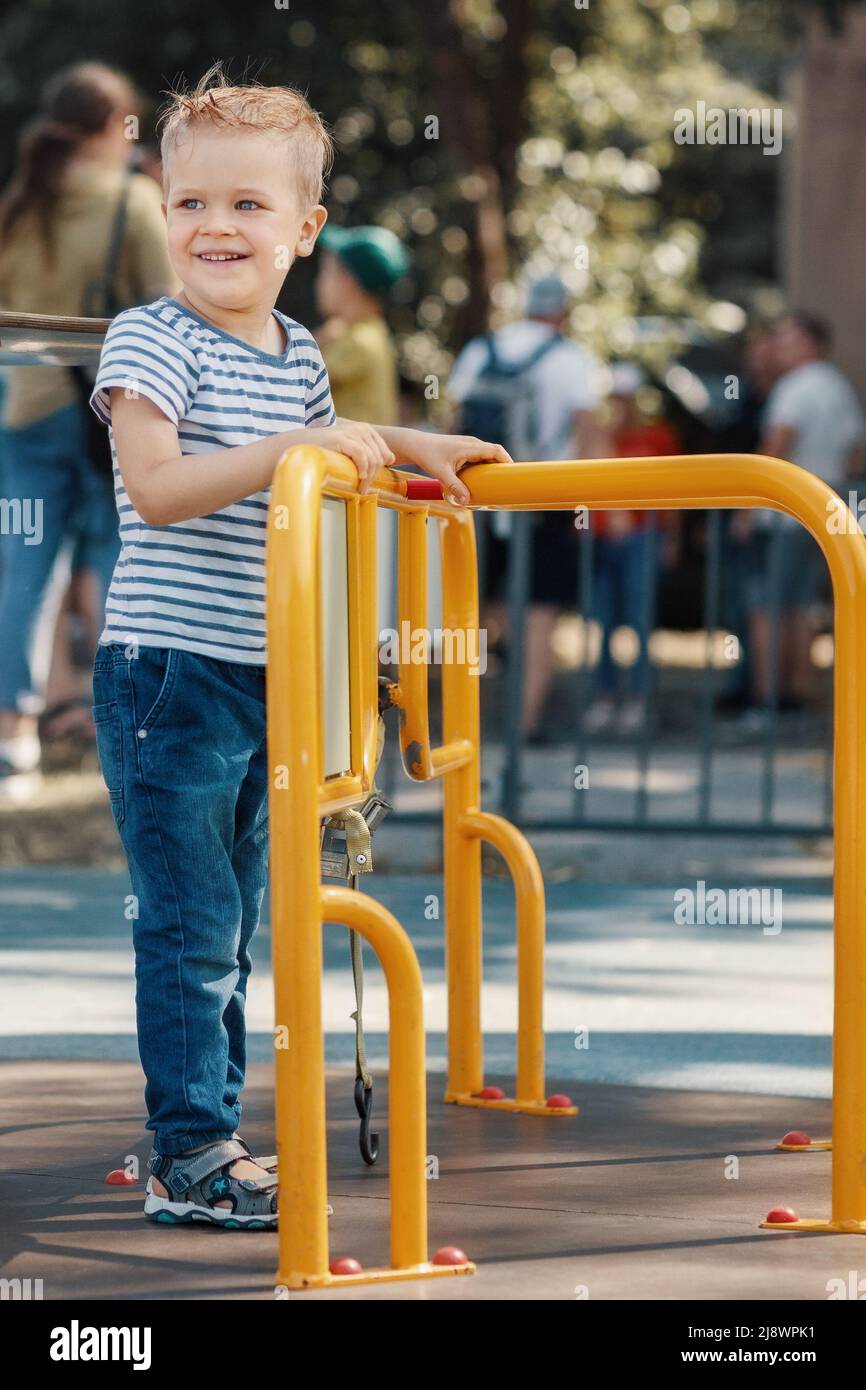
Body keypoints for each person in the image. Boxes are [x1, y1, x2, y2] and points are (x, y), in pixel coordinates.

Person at [88, 64, 509, 1229]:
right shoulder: (151, 339)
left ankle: (207, 1134)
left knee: (235, 923)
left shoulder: (297, 360)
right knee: (189, 927)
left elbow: (327, 498)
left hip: (266, 675)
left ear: (305, 228)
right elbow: (162, 489)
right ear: (162, 210)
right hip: (168, 676)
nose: (214, 226)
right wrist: (306, 446)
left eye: (247, 205)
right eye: (189, 203)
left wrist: (403, 450)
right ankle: (190, 1151)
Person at [0, 63, 176, 796]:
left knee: (24, 572)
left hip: (22, 409)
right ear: (115, 129)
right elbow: (168, 305)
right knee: (120, 562)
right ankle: (125, 722)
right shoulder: (132, 201)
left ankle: (13, 739)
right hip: (109, 409)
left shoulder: (18, 204)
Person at [448, 274, 608, 740]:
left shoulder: (483, 350)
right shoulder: (571, 359)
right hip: (546, 494)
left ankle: (471, 722)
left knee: (481, 606)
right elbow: (588, 429)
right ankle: (524, 724)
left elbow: (454, 423)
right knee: (540, 612)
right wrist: (599, 501)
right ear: (564, 311)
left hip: (481, 495)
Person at [737, 312, 866, 725]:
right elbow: (855, 452)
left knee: (767, 608)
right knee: (802, 607)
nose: (778, 347)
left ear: (811, 344)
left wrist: (746, 506)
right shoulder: (838, 386)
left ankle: (766, 700)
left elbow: (776, 446)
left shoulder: (795, 388)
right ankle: (795, 694)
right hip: (825, 514)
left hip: (783, 515)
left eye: (787, 339)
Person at [584, 365, 681, 736]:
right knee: (603, 621)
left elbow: (672, 490)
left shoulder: (658, 435)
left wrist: (672, 538)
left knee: (640, 618)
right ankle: (605, 697)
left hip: (643, 536)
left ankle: (639, 698)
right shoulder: (595, 433)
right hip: (600, 538)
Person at [314, 224, 408, 424]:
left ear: (349, 282)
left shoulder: (357, 343)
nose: (319, 283)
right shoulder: (374, 330)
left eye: (326, 272)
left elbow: (292, 378)